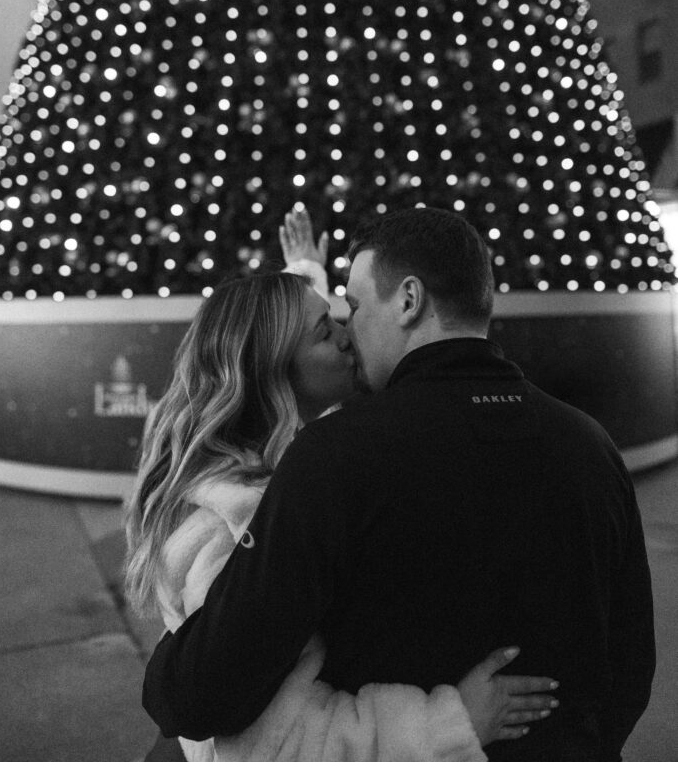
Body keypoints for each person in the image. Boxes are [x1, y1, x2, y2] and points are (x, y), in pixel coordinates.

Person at [141, 208, 655, 760]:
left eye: (356, 307)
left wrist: (166, 673)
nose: (349, 330)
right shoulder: (591, 444)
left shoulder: (334, 456)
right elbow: (631, 662)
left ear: (409, 300)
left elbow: (203, 693)